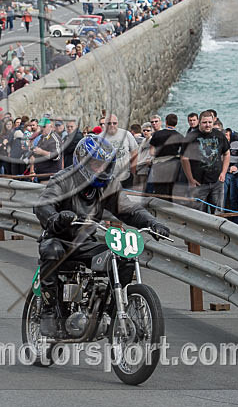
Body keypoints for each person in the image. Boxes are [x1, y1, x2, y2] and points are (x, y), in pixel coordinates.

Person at [33, 134, 171, 336]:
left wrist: (152, 222)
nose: (101, 169)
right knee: (51, 250)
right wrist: (56, 218)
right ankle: (48, 312)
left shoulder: (109, 185)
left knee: (122, 256)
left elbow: (128, 210)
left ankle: (113, 307)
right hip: (59, 238)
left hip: (86, 242)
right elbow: (43, 205)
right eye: (96, 164)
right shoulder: (63, 179)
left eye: (104, 164)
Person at [181, 110, 230, 212]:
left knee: (218, 212)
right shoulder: (191, 137)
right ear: (199, 122)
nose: (207, 125)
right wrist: (190, 179)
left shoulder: (220, 135)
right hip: (199, 182)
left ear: (213, 122)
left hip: (217, 181)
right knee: (198, 213)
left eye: (210, 122)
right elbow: (184, 158)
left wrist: (224, 172)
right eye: (204, 122)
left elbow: (226, 153)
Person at [147, 113, 183, 198]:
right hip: (173, 165)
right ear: (176, 123)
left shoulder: (157, 134)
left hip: (159, 165)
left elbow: (151, 152)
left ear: (166, 122)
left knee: (159, 187)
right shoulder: (180, 136)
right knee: (171, 187)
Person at [101, 113, 138, 187]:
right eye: (109, 123)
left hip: (125, 177)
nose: (112, 125)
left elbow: (134, 153)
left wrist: (133, 173)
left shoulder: (127, 134)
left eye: (114, 123)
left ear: (118, 123)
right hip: (106, 179)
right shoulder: (99, 138)